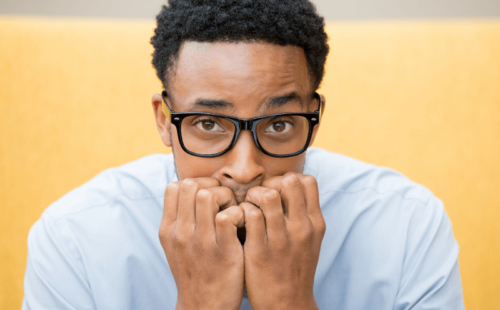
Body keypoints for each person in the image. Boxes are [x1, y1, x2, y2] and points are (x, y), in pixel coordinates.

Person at [22, 0, 465, 309]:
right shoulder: (74, 238)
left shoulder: (407, 224)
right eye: (209, 125)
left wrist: (290, 303)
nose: (245, 169)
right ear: (164, 120)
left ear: (315, 117)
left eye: (278, 124)